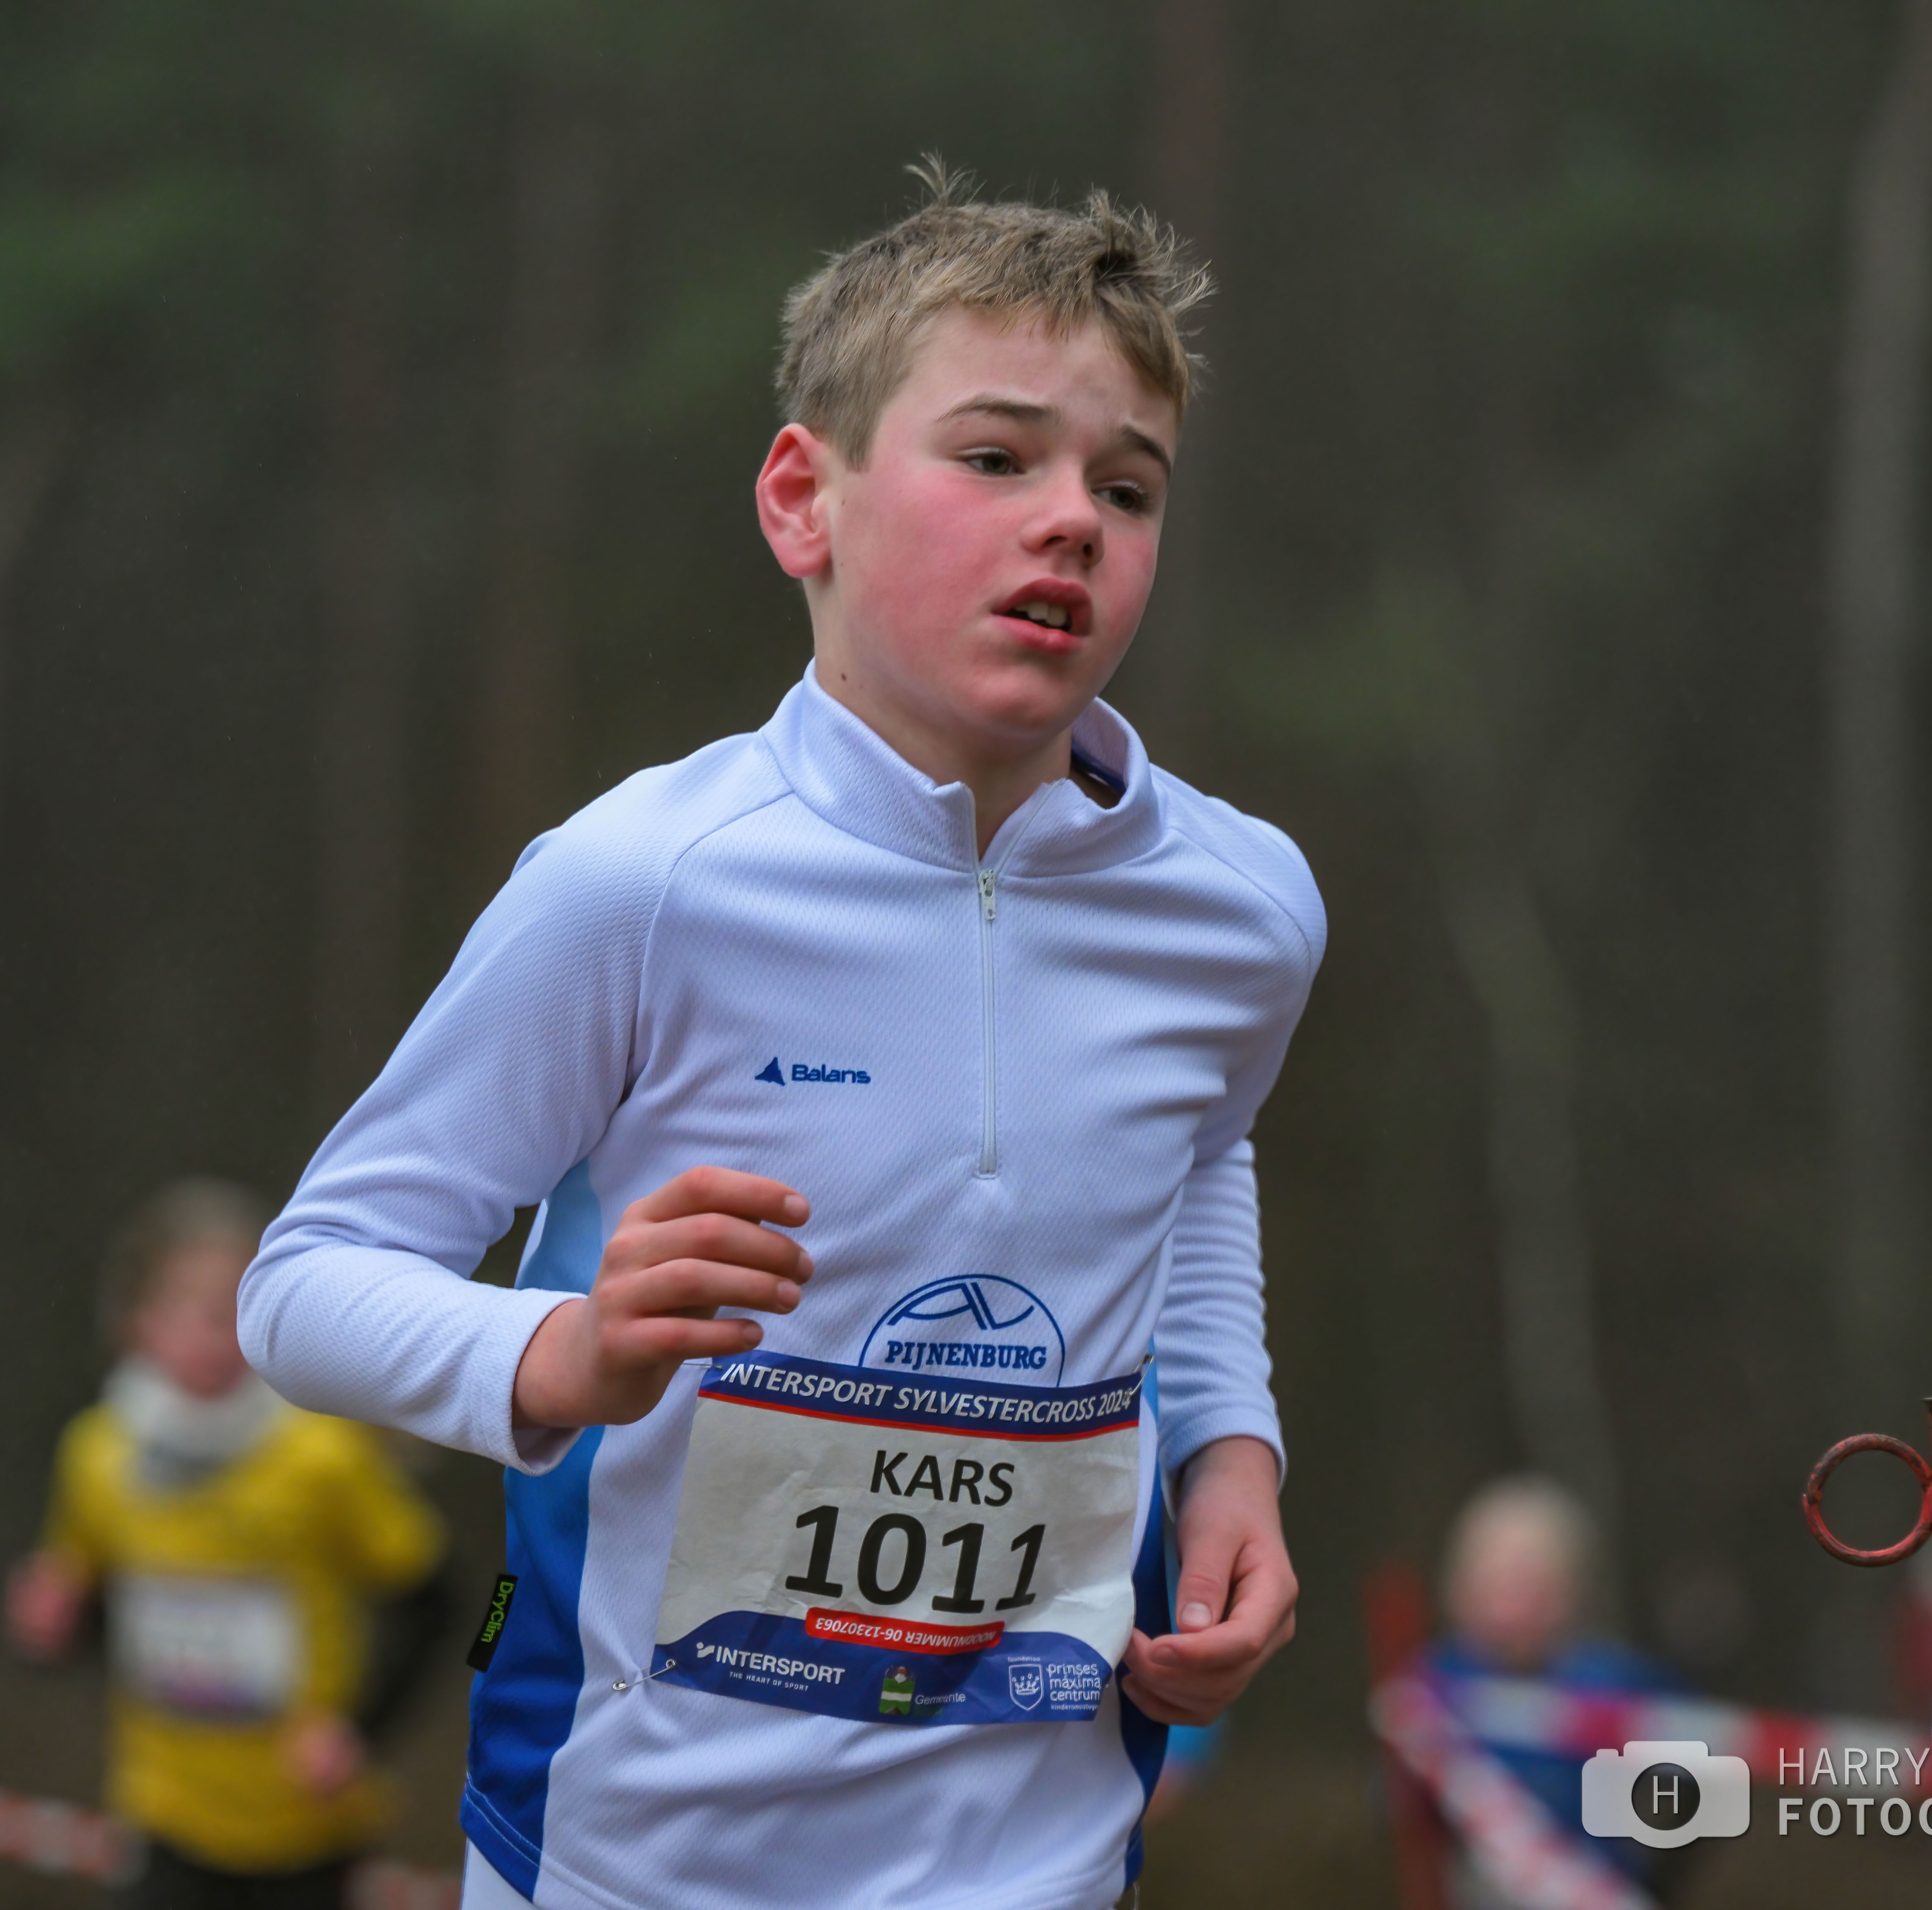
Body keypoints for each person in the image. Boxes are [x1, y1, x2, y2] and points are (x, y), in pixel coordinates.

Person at [238, 162, 1323, 1910]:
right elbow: (304, 1286)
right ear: (802, 502)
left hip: (1043, 1860)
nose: (1071, 521)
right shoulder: (636, 884)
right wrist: (565, 1353)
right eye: (997, 458)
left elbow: (1196, 1160)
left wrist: (1232, 1459)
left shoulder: (1242, 907)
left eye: (1126, 487)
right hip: (630, 1861)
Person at [8, 1178, 452, 1910]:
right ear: (136, 1325)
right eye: (187, 1306)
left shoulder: (323, 1454)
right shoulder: (96, 1453)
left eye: (233, 1307)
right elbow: (100, 1617)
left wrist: (359, 1731)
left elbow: (452, 1603)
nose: (211, 1330)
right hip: (163, 1816)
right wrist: (51, 1628)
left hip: (304, 1828)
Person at [1422, 1476, 1680, 1898]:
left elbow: (1702, 1786)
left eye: (1531, 1586)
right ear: (1460, 1589)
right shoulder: (1431, 1692)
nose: (1512, 1608)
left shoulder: (1614, 1685)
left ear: (1571, 1592)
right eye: (1497, 1585)